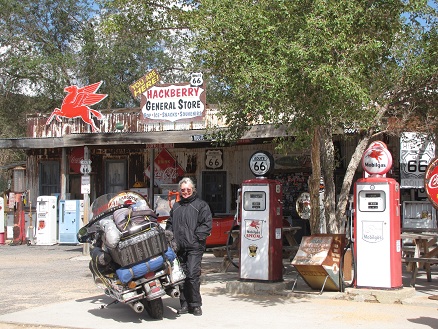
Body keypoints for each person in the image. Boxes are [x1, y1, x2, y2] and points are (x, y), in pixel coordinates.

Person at [165, 177, 212, 316]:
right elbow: (169, 224)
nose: (185, 192)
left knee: (192, 275)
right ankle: (184, 304)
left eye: (188, 189)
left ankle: (195, 304)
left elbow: (206, 224)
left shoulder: (201, 205)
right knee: (181, 277)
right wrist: (170, 238)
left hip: (194, 247)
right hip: (179, 248)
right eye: (183, 190)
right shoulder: (176, 206)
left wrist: (197, 238)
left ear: (193, 190)